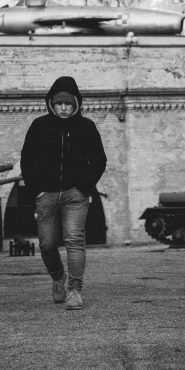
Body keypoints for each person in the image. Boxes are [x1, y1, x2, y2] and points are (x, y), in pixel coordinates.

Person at [20, 76, 107, 310]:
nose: (64, 108)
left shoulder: (86, 127)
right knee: (47, 245)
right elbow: (27, 160)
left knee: (74, 240)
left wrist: (85, 186)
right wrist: (36, 190)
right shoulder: (39, 126)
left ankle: (75, 291)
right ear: (51, 104)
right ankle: (58, 277)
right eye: (59, 103)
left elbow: (98, 160)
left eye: (68, 103)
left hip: (75, 194)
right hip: (45, 194)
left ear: (76, 103)